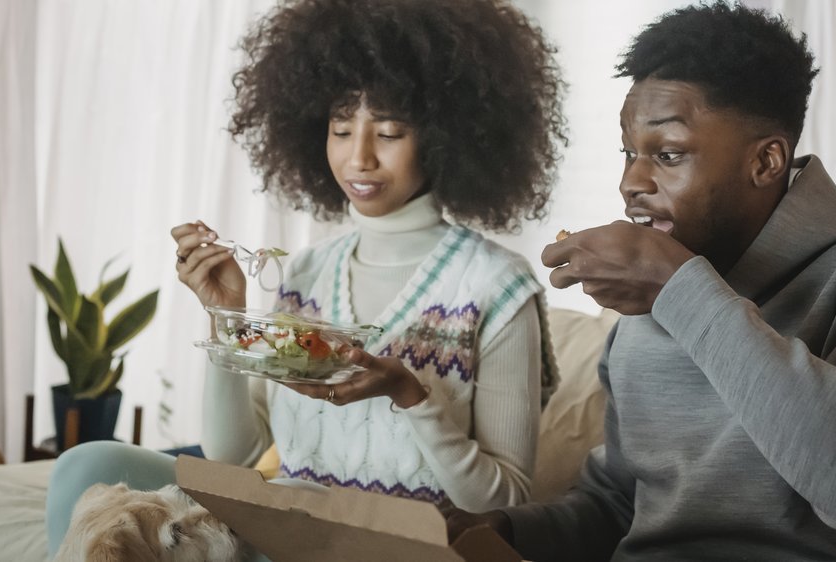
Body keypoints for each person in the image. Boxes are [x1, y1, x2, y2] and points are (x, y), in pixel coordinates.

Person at [446, 2, 836, 560]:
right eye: (629, 154)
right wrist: (508, 529)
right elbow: (624, 504)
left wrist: (680, 291)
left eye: (668, 155)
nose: (631, 182)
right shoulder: (646, 309)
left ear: (766, 162)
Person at [45, 0, 565, 557]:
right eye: (341, 129)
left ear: (443, 137)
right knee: (87, 463)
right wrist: (231, 320)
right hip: (285, 528)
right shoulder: (306, 271)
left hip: (396, 546)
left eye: (388, 132)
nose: (357, 157)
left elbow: (504, 496)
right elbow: (233, 460)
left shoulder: (496, 285)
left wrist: (410, 394)